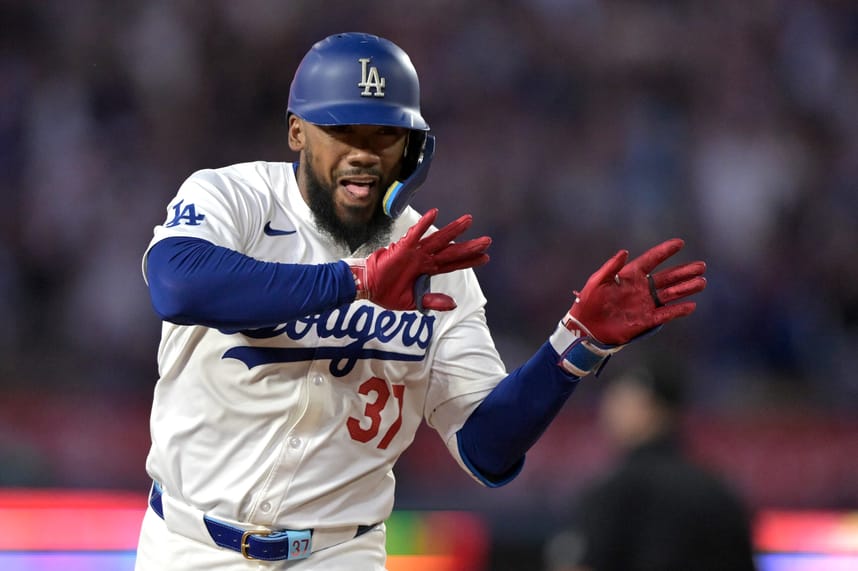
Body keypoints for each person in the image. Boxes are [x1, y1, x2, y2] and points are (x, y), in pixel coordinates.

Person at [134, 32, 707, 570]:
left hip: (337, 553)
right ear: (297, 132)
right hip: (190, 543)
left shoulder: (438, 267)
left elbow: (486, 448)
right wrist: (354, 282)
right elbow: (177, 286)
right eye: (343, 130)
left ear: (412, 146)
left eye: (384, 134)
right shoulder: (233, 196)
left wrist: (574, 347)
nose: (364, 152)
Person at [543, 364, 757, 571]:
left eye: (620, 400)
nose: (608, 409)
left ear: (651, 408)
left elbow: (578, 566)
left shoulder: (617, 486)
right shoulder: (717, 488)